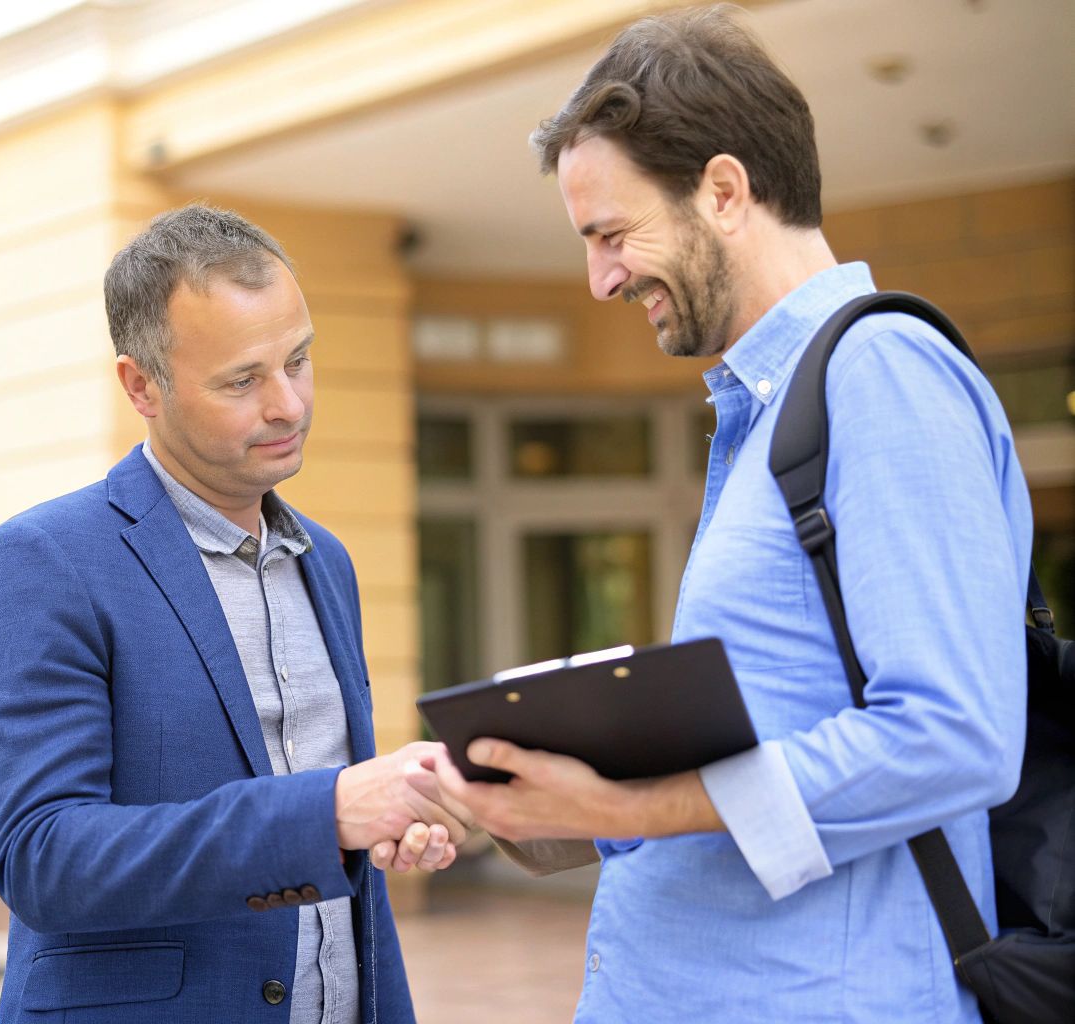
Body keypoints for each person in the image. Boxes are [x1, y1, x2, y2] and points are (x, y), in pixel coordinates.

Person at [418, 7, 1035, 1022]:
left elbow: (951, 735)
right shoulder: (763, 415)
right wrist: (538, 810)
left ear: (722, 189)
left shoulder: (881, 376)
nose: (600, 278)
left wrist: (622, 805)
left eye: (611, 234)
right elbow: (767, 753)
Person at [0, 203, 465, 1023]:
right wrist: (326, 810)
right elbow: (44, 859)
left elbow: (319, 839)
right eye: (242, 380)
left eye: (298, 361)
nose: (289, 405)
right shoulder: (43, 562)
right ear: (140, 386)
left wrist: (377, 825)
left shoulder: (324, 560)